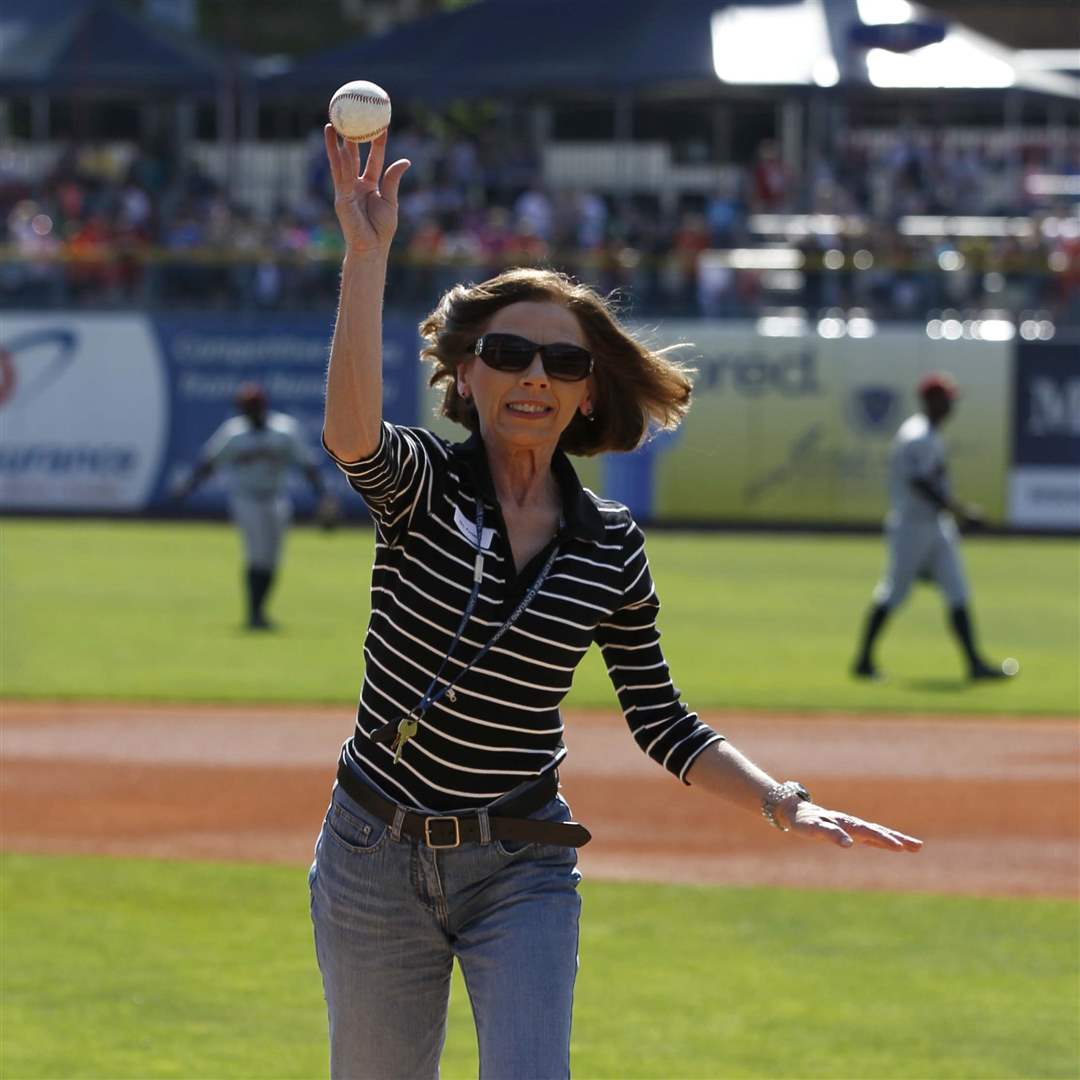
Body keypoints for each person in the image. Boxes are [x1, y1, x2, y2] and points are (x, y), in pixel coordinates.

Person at [312, 126, 923, 1080]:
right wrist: (366, 254)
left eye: (561, 364)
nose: (534, 379)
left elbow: (661, 717)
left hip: (521, 861)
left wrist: (779, 801)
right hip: (372, 852)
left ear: (589, 395)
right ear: (466, 374)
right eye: (509, 354)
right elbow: (350, 432)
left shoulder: (608, 547)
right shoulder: (425, 484)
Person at [852, 372, 1014, 681]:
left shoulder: (930, 433)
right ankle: (863, 662)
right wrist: (962, 510)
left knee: (957, 590)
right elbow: (922, 484)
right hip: (911, 527)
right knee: (895, 592)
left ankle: (975, 664)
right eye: (946, 399)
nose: (952, 404)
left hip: (936, 525)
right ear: (930, 401)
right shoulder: (917, 435)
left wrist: (954, 513)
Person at [173, 382, 331, 630]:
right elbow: (210, 462)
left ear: (263, 406)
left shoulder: (284, 430)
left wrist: (323, 497)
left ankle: (260, 612)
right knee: (257, 554)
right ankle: (253, 614)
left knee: (272, 558)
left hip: (275, 497)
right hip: (246, 498)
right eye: (247, 407)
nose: (251, 412)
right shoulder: (234, 433)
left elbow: (306, 465)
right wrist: (187, 488)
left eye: (254, 406)